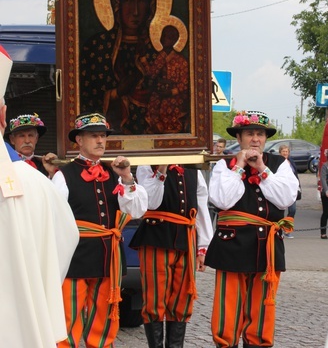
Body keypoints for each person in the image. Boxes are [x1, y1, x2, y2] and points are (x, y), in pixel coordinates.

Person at [0, 44, 79, 347]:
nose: (29, 140)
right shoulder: (36, 184)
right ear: (4, 117)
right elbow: (63, 240)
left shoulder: (39, 177)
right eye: (23, 135)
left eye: (33, 135)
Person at [52, 111, 148, 348]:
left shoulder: (113, 174)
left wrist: (127, 177)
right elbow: (54, 220)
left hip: (108, 257)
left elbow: (136, 210)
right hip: (75, 257)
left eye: (103, 136)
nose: (100, 141)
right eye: (94, 136)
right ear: (79, 141)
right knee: (68, 316)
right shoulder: (64, 176)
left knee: (105, 316)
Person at [205, 110, 299, 348]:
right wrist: (239, 168)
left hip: (267, 247)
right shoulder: (224, 165)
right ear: (239, 138)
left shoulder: (280, 164)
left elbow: (285, 199)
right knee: (228, 312)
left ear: (265, 139)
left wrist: (263, 171)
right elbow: (222, 200)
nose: (255, 139)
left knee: (262, 312)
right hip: (232, 245)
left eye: (260, 134)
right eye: (249, 134)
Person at [129, 163, 213, 347]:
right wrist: (161, 170)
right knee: (154, 299)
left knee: (182, 299)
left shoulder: (193, 169)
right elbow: (151, 202)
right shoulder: (146, 167)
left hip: (185, 236)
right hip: (155, 236)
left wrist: (203, 246)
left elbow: (201, 206)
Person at [80, 0, 158, 135]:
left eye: (142, 1)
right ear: (116, 4)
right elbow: (87, 99)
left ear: (151, 5)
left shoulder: (157, 50)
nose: (135, 11)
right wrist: (116, 93)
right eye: (128, 0)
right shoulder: (97, 46)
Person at [139, 24, 189, 133]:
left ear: (173, 40)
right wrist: (143, 59)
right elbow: (151, 73)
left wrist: (171, 92)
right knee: (151, 104)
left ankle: (170, 133)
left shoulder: (181, 60)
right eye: (163, 36)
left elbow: (184, 83)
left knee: (166, 107)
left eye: (167, 37)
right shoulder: (161, 57)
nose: (163, 39)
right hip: (161, 91)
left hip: (175, 95)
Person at [5, 112, 58, 178]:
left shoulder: (45, 165)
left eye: (30, 135)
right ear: (12, 139)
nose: (27, 141)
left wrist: (52, 173)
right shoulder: (5, 164)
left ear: (36, 138)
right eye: (22, 136)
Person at [278, 144, 301, 239]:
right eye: (283, 151)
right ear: (280, 152)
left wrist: (298, 186)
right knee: (280, 210)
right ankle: (278, 230)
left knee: (292, 210)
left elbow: (295, 175)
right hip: (282, 189)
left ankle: (287, 230)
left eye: (286, 151)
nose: (285, 153)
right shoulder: (277, 162)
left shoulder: (291, 162)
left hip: (292, 189)